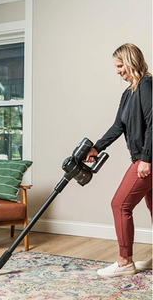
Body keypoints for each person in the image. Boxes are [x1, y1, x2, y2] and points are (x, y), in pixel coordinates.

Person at [85, 43, 152, 278]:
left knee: (120, 204)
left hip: (148, 159)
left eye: (120, 65)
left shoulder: (147, 85)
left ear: (131, 61)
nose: (117, 71)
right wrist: (96, 147)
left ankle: (125, 262)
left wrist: (146, 159)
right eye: (116, 66)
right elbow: (118, 126)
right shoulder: (127, 93)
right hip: (144, 157)